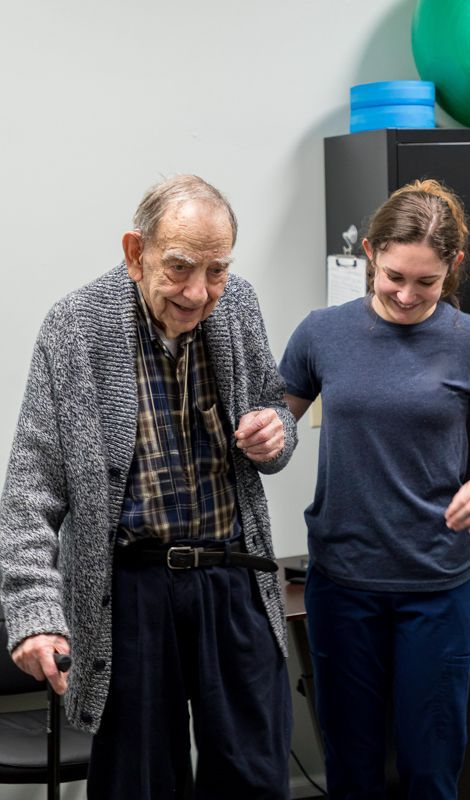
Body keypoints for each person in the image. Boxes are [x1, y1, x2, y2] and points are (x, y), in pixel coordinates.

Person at [0, 174, 297, 799]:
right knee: (138, 783)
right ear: (136, 252)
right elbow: (30, 488)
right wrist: (33, 613)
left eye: (217, 269)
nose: (199, 292)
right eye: (181, 268)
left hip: (232, 577)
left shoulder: (237, 304)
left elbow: (275, 408)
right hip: (130, 592)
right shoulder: (75, 328)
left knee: (253, 775)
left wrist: (277, 433)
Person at [279, 179, 470, 800]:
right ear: (369, 252)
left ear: (453, 267)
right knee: (352, 767)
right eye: (393, 277)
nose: (407, 295)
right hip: (342, 582)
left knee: (430, 767)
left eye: (427, 282)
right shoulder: (321, 333)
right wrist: (262, 436)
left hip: (438, 586)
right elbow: (279, 426)